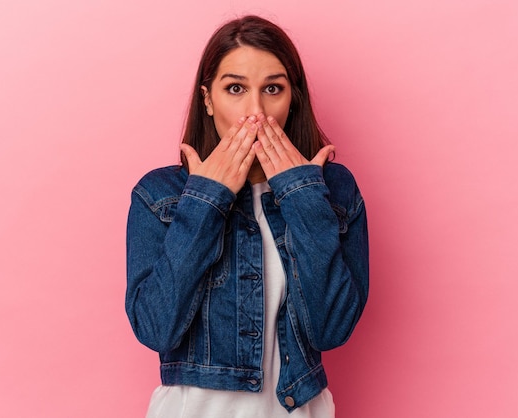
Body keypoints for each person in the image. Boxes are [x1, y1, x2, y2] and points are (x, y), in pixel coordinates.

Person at [126, 15, 369, 417]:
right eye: (235, 88)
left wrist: (303, 196)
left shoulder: (334, 190)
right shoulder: (160, 194)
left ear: (293, 99)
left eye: (272, 88)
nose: (255, 112)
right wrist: (206, 200)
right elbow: (156, 328)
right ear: (208, 99)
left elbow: (332, 329)